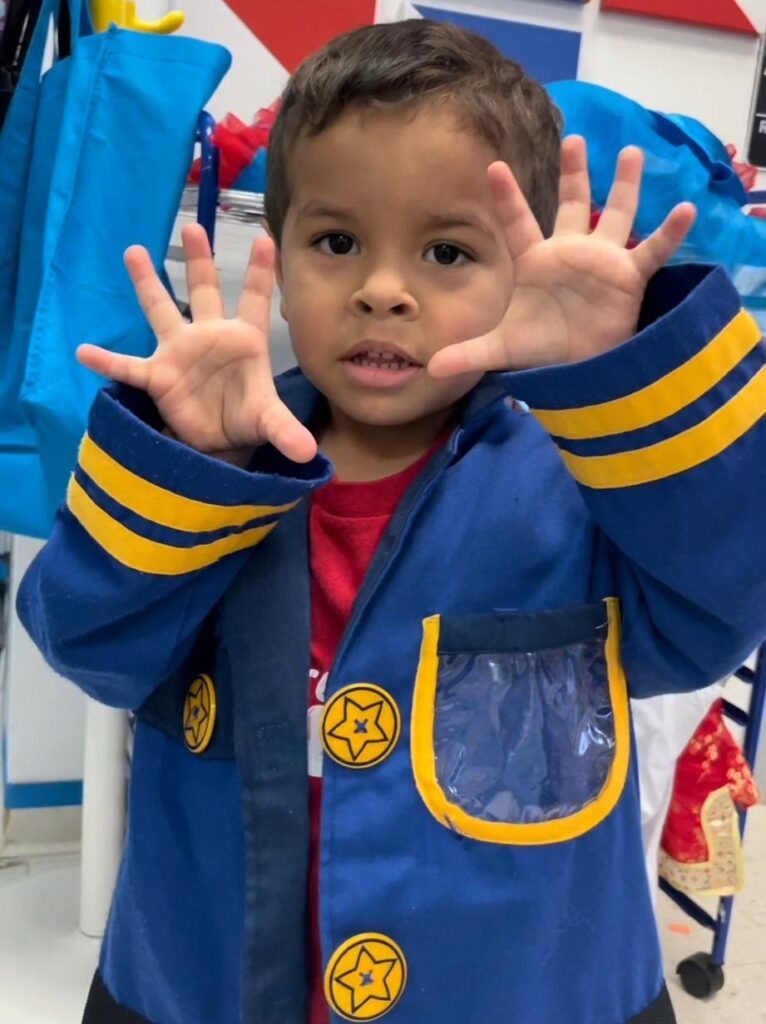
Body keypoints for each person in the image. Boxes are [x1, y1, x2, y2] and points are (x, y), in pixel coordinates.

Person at [17, 18, 766, 1024]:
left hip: (516, 988)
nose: (381, 290)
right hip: (214, 979)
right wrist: (194, 466)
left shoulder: (578, 478)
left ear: (517, 264)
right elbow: (89, 644)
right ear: (277, 255)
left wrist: (619, 381)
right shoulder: (215, 466)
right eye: (335, 243)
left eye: (447, 251)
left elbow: (720, 605)